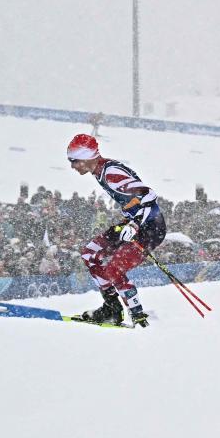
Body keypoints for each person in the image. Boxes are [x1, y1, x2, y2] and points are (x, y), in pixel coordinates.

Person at [66, 134, 166, 327]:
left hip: (150, 227)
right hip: (133, 223)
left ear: (86, 157)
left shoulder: (110, 173)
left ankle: (138, 316)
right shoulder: (100, 171)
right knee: (90, 254)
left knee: (114, 269)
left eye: (74, 160)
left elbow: (149, 195)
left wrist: (135, 225)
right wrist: (131, 222)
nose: (72, 166)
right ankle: (111, 308)